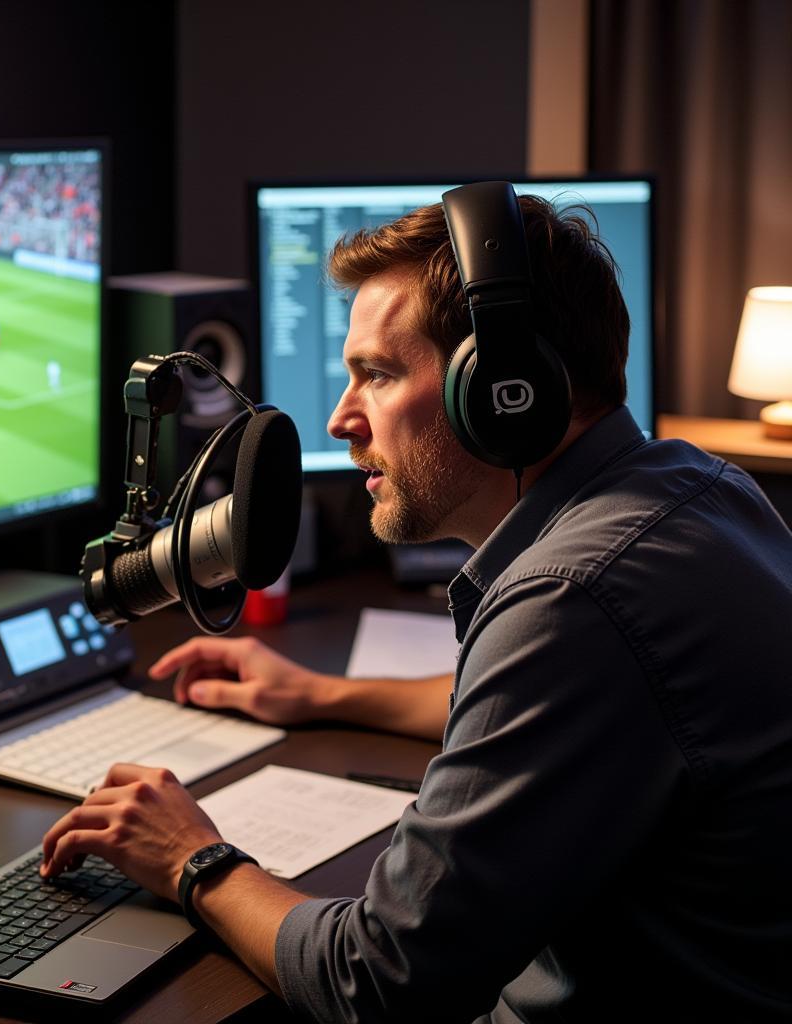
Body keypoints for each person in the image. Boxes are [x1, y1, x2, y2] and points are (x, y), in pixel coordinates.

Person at [40, 190, 792, 1022]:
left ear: (507, 389)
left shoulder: (572, 601)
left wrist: (193, 859)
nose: (339, 420)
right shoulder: (698, 485)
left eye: (378, 373)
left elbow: (380, 981)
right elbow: (570, 718)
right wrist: (322, 695)